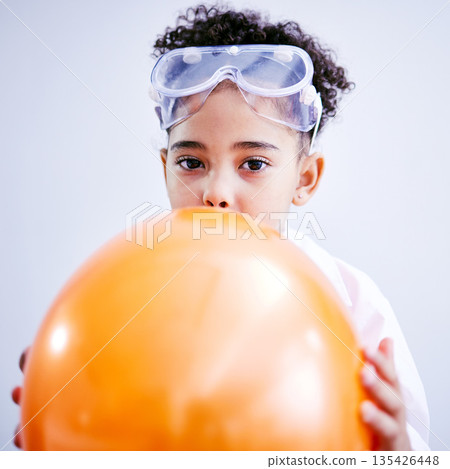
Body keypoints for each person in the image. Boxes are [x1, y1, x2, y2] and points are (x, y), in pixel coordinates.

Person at [12, 3, 430, 450]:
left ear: (304, 178)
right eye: (191, 162)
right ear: (165, 168)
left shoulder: (353, 304)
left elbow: (412, 446)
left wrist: (396, 453)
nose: (217, 192)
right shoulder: (120, 292)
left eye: (253, 163)